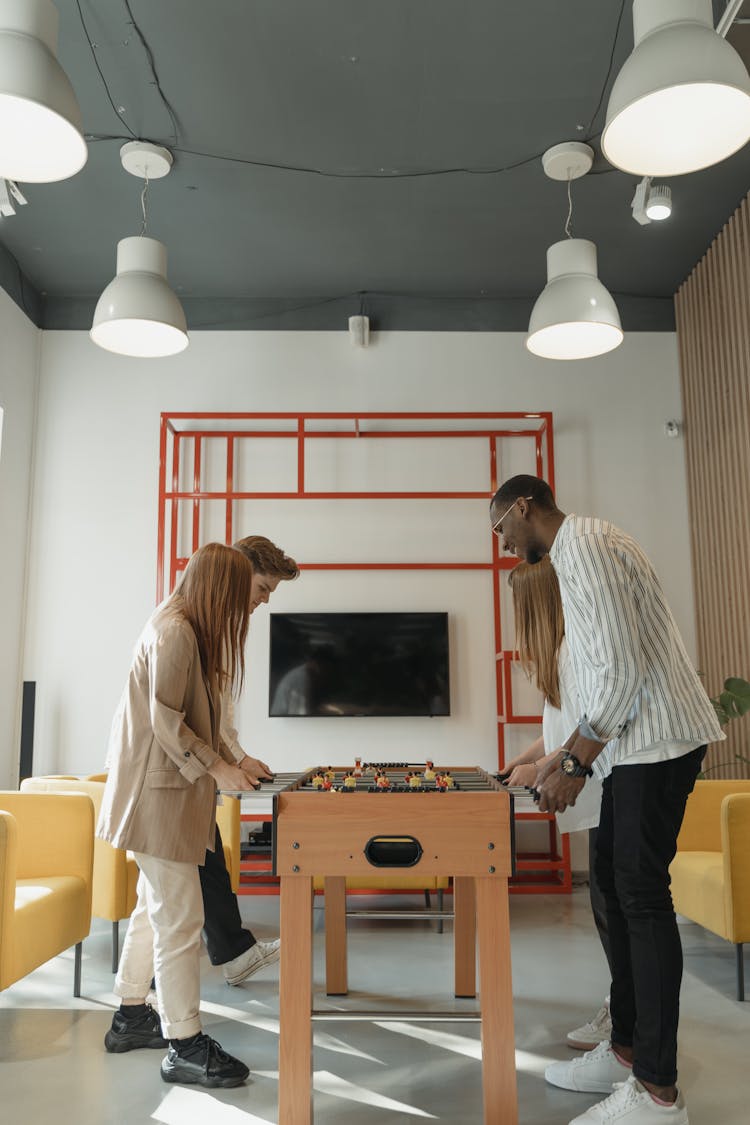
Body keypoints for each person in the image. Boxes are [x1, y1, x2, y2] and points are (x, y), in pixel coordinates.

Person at [490, 475, 724, 1125]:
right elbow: (603, 676)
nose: (504, 545)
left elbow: (619, 670)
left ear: (522, 507)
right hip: (635, 747)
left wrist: (571, 763)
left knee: (641, 900)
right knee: (619, 896)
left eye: (500, 529)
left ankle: (656, 1091)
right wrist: (557, 757)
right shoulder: (587, 544)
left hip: (654, 743)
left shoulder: (582, 547)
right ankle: (626, 1050)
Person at [98, 542, 259, 1088]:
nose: (244, 609)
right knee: (182, 919)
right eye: (241, 596)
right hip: (156, 799)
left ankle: (130, 1015)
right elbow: (168, 723)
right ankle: (185, 1044)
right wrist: (220, 767)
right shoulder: (177, 632)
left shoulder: (182, 625)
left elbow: (197, 714)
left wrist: (235, 759)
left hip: (159, 796)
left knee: (155, 908)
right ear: (221, 589)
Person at [502, 558, 612, 1050]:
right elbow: (557, 728)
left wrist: (541, 766)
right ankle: (621, 1013)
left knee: (615, 908)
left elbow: (585, 731)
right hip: (590, 785)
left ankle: (623, 1020)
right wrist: (521, 761)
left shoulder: (575, 652)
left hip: (604, 786)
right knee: (607, 905)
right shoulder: (562, 653)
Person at [202, 535, 299, 986]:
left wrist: (240, 757)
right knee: (170, 901)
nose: (263, 601)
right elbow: (192, 712)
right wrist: (228, 764)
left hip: (198, 772)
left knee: (207, 863)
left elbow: (217, 710)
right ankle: (141, 1004)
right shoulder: (196, 623)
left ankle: (234, 955)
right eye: (263, 588)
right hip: (180, 775)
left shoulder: (223, 623)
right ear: (241, 572)